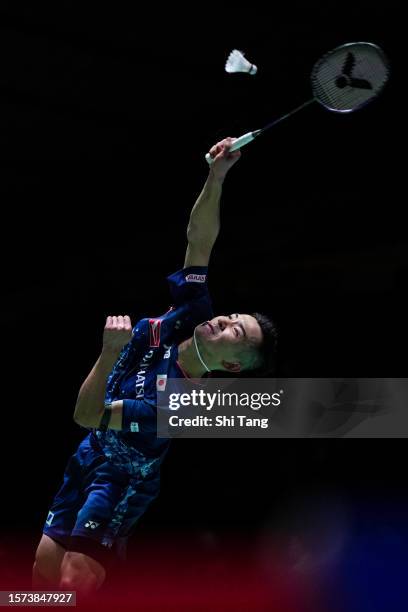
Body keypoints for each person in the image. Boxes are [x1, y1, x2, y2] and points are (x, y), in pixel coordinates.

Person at [32, 138, 277, 596]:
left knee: (75, 579)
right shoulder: (193, 309)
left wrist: (109, 352)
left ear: (230, 364)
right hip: (90, 453)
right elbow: (200, 240)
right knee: (42, 573)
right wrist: (217, 175)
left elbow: (86, 413)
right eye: (234, 317)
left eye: (236, 334)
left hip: (121, 478)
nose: (225, 320)